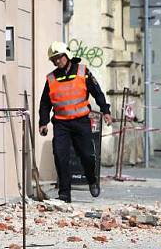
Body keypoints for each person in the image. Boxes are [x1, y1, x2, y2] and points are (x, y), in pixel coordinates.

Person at [38, 41, 113, 203]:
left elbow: (97, 92)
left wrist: (105, 111)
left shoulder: (82, 72)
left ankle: (92, 180)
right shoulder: (51, 79)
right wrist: (43, 123)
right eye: (54, 60)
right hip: (61, 124)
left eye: (59, 58)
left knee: (86, 155)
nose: (57, 61)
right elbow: (45, 103)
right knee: (60, 156)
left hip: (81, 122)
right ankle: (65, 193)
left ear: (67, 55)